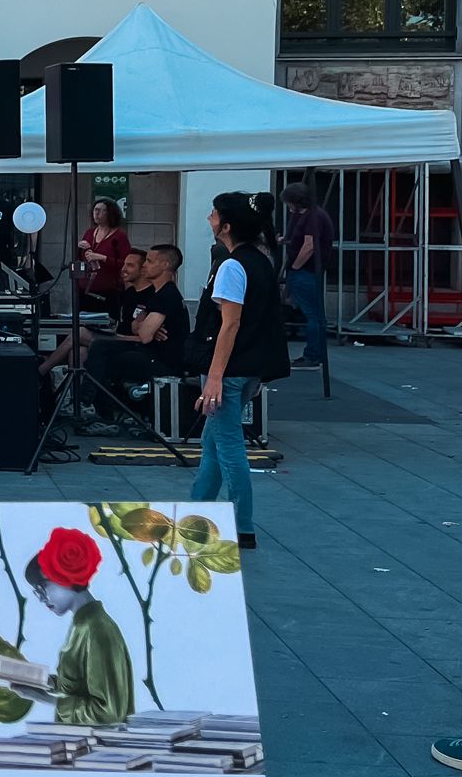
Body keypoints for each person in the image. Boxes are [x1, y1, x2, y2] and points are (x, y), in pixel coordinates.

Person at [190, 192, 289, 552]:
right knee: (213, 443)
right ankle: (197, 509)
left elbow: (229, 325)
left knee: (228, 446)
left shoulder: (233, 266)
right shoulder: (260, 260)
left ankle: (241, 525)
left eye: (214, 215)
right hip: (246, 368)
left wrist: (214, 377)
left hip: (228, 370)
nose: (209, 219)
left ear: (226, 225)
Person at [22, 527, 133, 727]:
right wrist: (44, 682)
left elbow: (109, 713)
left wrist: (45, 698)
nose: (40, 598)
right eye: (36, 592)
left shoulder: (97, 630)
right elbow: (79, 688)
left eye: (42, 587)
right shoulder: (82, 625)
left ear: (63, 577)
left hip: (100, 752)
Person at [83, 244, 190, 410]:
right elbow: (136, 326)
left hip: (162, 360)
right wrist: (144, 327)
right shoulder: (157, 293)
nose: (145, 265)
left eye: (149, 261)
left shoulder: (167, 295)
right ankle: (96, 405)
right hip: (148, 351)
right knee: (99, 347)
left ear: (165, 265)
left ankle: (91, 404)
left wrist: (145, 328)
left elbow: (145, 335)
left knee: (99, 356)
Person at [39, 248, 145, 381]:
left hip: (128, 343)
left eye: (130, 265)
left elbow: (140, 335)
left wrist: (119, 335)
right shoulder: (129, 293)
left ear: (143, 270)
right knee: (78, 352)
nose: (123, 269)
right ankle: (77, 396)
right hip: (118, 336)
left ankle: (41, 371)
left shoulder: (148, 296)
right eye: (124, 264)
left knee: (80, 332)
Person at [281, 182, 335, 369]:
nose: (288, 208)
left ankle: (312, 355)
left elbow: (309, 245)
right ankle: (315, 354)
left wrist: (295, 267)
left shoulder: (312, 218)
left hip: (306, 271)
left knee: (313, 315)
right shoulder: (311, 215)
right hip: (309, 271)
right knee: (315, 314)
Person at [76, 197, 132, 311]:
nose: (97, 213)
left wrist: (103, 258)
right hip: (85, 288)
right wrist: (80, 248)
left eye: (102, 210)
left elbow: (125, 263)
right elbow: (80, 258)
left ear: (110, 213)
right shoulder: (89, 233)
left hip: (108, 290)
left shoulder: (119, 236)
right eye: (95, 210)